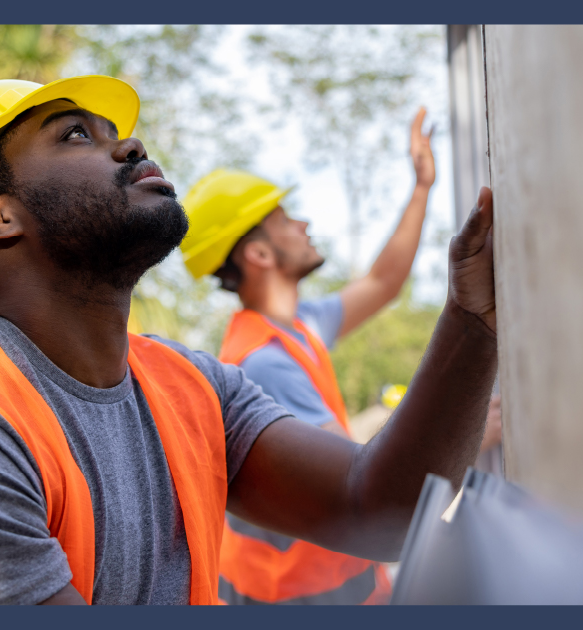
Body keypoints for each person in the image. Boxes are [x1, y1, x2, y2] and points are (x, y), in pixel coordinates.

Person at [0, 76, 498, 605]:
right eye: (75, 135)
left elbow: (374, 509)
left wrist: (474, 324)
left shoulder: (191, 387)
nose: (132, 145)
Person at [178, 110, 437, 605]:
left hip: (330, 585)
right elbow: (366, 476)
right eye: (284, 219)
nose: (303, 223)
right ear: (258, 254)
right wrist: (462, 428)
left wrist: (422, 187)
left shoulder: (297, 329)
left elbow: (384, 283)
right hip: (303, 596)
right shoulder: (266, 362)